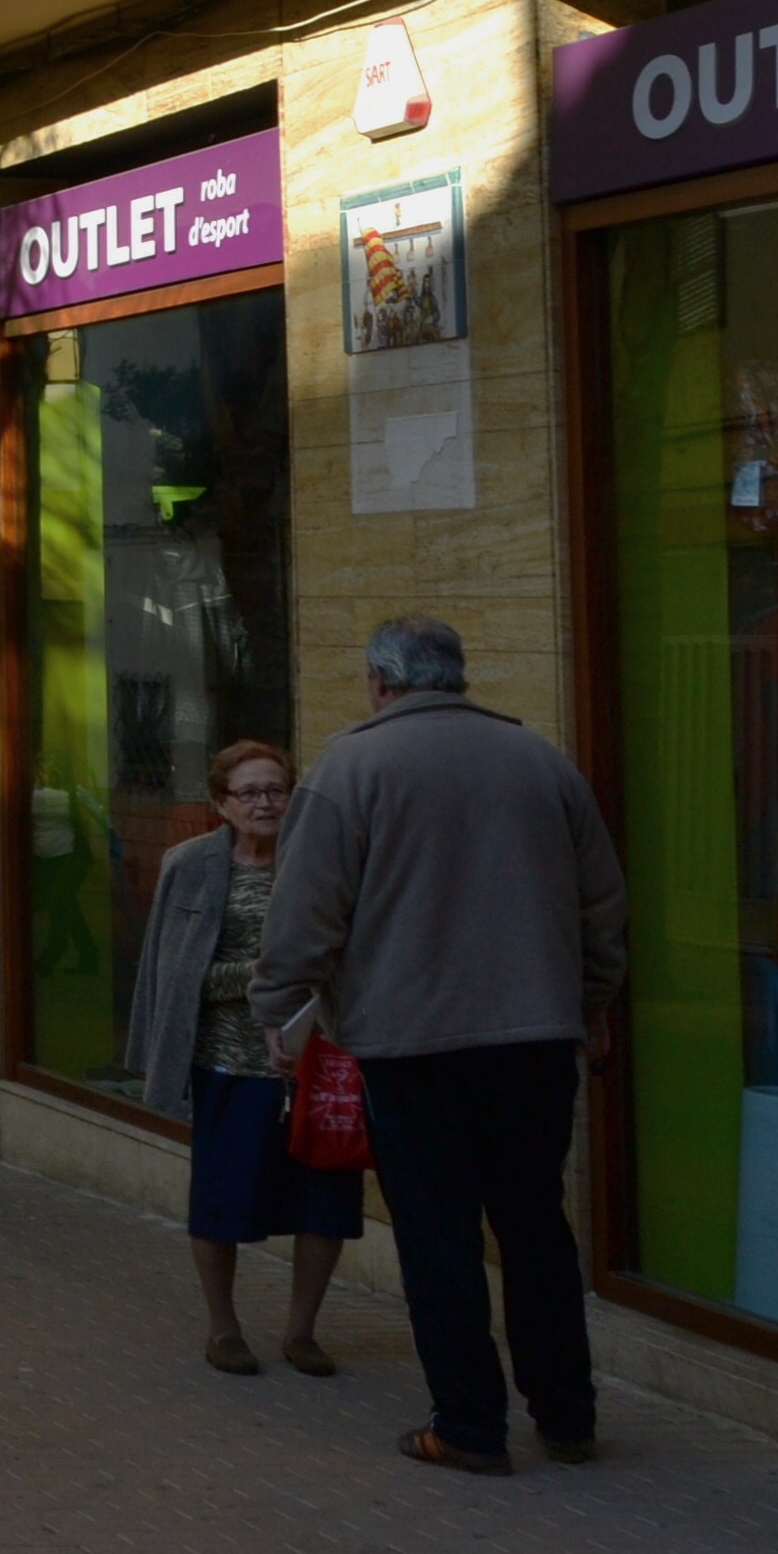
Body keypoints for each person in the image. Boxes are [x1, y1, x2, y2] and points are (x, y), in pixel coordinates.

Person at [256, 616, 628, 1476]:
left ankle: (467, 1423)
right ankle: (567, 1414)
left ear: (378, 682)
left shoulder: (351, 765)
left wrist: (277, 1006)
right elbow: (600, 906)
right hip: (534, 1037)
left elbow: (305, 910)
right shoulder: (544, 763)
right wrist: (594, 1002)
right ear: (456, 677)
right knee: (534, 1222)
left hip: (409, 1040)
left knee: (438, 1231)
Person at [121, 737, 358, 1377]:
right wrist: (264, 976)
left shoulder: (322, 861)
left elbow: (352, 956)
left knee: (323, 1201)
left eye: (276, 790)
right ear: (220, 803)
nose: (264, 803)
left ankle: (301, 1332)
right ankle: (223, 1328)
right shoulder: (190, 866)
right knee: (222, 1200)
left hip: (316, 1064)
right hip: (228, 1063)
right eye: (248, 792)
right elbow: (175, 975)